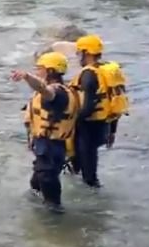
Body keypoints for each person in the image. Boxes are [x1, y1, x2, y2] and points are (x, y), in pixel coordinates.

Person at [11, 51, 77, 213]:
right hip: (49, 145)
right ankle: (42, 213)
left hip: (51, 145)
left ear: (51, 71)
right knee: (36, 184)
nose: (37, 72)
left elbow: (45, 91)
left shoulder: (58, 93)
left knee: (46, 179)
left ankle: (54, 217)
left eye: (40, 68)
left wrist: (27, 77)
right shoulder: (65, 91)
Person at [70, 34, 111, 189]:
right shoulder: (104, 70)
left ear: (86, 53)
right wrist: (112, 131)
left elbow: (87, 108)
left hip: (88, 126)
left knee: (88, 175)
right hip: (103, 125)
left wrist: (71, 121)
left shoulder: (88, 75)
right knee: (88, 163)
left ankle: (91, 195)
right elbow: (113, 101)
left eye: (79, 53)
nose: (78, 56)